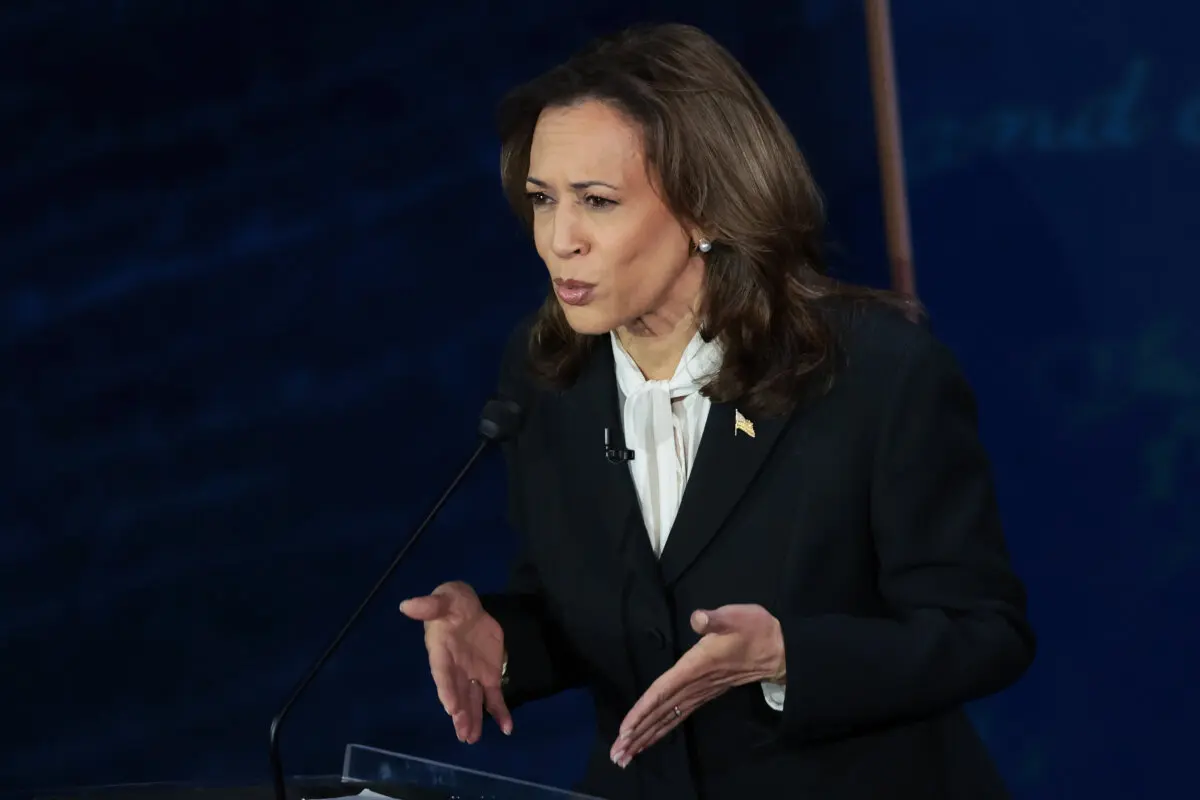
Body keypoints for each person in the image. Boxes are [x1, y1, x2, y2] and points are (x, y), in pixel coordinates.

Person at [400, 22, 1034, 800]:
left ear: (706, 208)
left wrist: (787, 656)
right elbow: (597, 610)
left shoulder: (870, 371)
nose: (559, 240)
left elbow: (984, 633)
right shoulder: (546, 377)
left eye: (597, 202)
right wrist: (501, 640)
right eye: (541, 200)